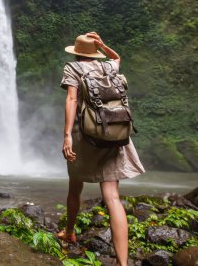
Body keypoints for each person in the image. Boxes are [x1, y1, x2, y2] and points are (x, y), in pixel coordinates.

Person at [58, 32, 145, 266]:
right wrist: (104, 46)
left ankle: (69, 231)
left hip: (85, 135)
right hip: (114, 133)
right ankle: (122, 263)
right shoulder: (109, 66)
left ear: (76, 53)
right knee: (112, 197)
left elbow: (72, 100)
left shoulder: (73, 68)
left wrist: (67, 136)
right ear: (94, 52)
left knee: (75, 186)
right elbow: (117, 57)